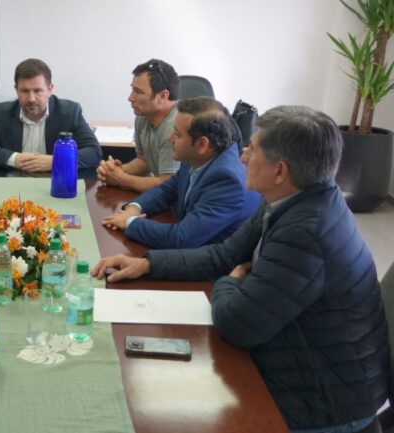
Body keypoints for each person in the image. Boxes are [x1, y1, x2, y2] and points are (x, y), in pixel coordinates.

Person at [92, 106, 389, 432]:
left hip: (325, 402)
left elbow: (238, 323)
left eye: (252, 148)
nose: (242, 156)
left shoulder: (307, 231)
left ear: (280, 171)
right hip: (299, 360)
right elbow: (224, 255)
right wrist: (148, 263)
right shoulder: (290, 196)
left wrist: (230, 283)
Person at [102, 97, 260, 249]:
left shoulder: (227, 180)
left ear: (202, 144)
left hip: (210, 271)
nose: (170, 138)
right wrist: (135, 207)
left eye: (177, 134)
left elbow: (180, 238)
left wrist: (130, 222)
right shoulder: (198, 157)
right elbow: (167, 190)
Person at [0, 58, 102, 171]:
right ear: (16, 89)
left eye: (38, 91)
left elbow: (94, 152)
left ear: (50, 89)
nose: (31, 98)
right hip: (15, 183)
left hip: (55, 181)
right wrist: (15, 159)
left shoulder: (70, 112)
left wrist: (56, 161)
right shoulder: (2, 113)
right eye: (25, 91)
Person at [97, 59, 180, 192]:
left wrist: (121, 178)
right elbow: (144, 161)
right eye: (132, 89)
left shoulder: (176, 127)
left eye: (138, 92)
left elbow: (167, 184)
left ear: (163, 96)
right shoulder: (143, 117)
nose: (130, 98)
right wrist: (115, 171)